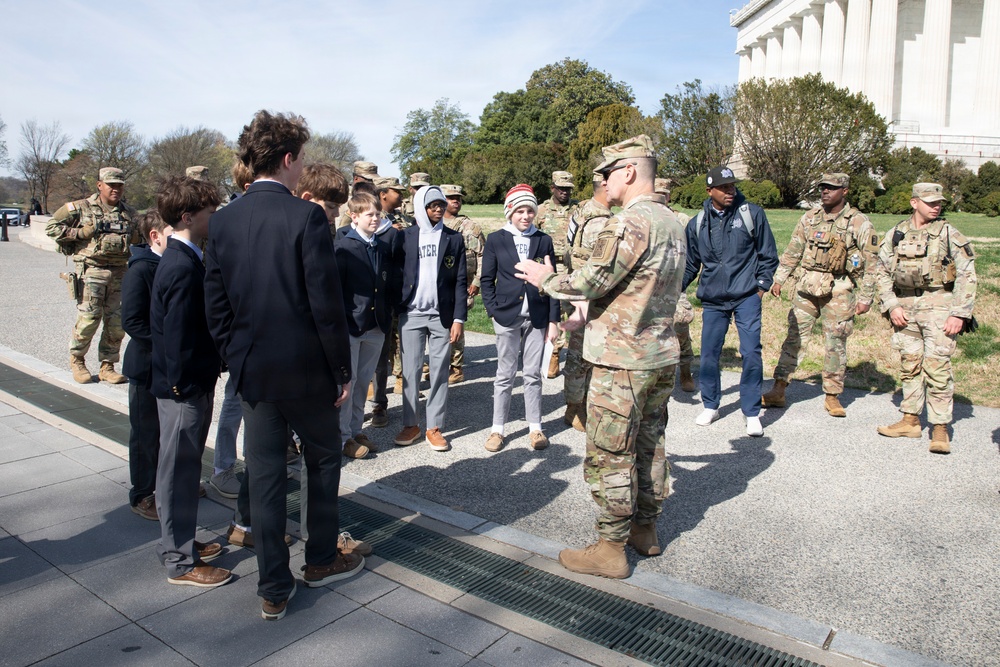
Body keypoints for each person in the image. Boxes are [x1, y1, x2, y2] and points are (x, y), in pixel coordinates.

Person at [205, 110, 363, 621]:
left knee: (267, 475)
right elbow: (324, 303)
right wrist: (342, 370)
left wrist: (235, 355)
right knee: (322, 462)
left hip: (253, 371)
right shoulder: (306, 217)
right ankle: (318, 558)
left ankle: (273, 584)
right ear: (290, 159)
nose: (302, 171)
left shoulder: (224, 218)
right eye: (302, 161)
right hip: (305, 371)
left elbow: (216, 304)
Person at [515, 135, 685, 579]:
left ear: (629, 171)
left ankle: (610, 548)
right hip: (659, 354)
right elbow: (639, 287)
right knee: (650, 445)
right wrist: (592, 318)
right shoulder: (671, 220)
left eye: (609, 173)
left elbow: (591, 280)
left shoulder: (629, 221)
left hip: (622, 362)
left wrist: (545, 277)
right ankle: (645, 530)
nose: (604, 181)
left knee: (611, 451)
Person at [149, 176, 229, 589]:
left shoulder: (186, 256)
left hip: (185, 385)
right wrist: (184, 387)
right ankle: (180, 560)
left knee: (178, 470)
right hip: (183, 389)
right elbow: (177, 336)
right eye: (209, 212)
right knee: (179, 473)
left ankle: (177, 543)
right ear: (187, 217)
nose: (214, 217)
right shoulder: (180, 265)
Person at [762, 173, 878, 417]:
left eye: (832, 188)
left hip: (839, 289)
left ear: (845, 191)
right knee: (794, 338)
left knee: (835, 343)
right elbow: (794, 249)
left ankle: (833, 396)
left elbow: (871, 262)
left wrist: (866, 297)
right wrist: (780, 278)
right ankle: (779, 389)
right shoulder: (810, 218)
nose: (825, 192)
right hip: (807, 287)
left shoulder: (858, 222)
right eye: (823, 188)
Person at [875, 183, 977, 454]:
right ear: (914, 202)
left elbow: (967, 273)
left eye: (939, 202)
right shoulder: (897, 233)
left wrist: (960, 313)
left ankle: (940, 428)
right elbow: (881, 271)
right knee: (909, 364)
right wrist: (892, 305)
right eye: (930, 201)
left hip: (939, 305)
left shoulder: (947, 232)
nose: (936, 206)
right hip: (905, 307)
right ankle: (910, 420)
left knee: (937, 367)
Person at [683, 166, 778, 437]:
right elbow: (691, 264)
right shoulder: (697, 223)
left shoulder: (751, 214)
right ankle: (711, 405)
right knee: (709, 354)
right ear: (709, 191)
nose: (730, 191)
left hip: (747, 296)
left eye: (732, 186)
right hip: (713, 300)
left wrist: (760, 288)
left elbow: (768, 254)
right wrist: (675, 290)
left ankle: (751, 412)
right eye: (723, 187)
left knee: (751, 352)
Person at [480, 184, 560, 452]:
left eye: (530, 211)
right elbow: (486, 279)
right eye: (520, 211)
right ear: (510, 212)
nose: (525, 216)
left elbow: (553, 281)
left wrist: (554, 320)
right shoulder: (496, 239)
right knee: (505, 374)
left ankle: (535, 428)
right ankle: (497, 429)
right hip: (506, 316)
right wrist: (493, 310)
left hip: (537, 316)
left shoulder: (543, 240)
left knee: (533, 374)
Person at [46, 167, 140, 384]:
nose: (116, 189)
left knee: (116, 322)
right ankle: (77, 360)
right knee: (89, 318)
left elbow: (142, 236)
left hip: (119, 272)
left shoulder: (129, 213)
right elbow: (51, 227)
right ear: (100, 185)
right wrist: (78, 233)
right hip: (92, 271)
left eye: (120, 185)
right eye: (111, 185)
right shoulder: (79, 208)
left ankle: (108, 365)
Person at [393, 186, 467, 452]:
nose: (438, 209)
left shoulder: (454, 239)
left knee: (439, 373)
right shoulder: (405, 237)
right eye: (432, 205)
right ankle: (410, 424)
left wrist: (459, 318)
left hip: (442, 316)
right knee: (410, 372)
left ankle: (434, 427)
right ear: (420, 207)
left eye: (441, 205)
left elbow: (460, 280)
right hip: (411, 314)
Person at [121, 210, 173, 521]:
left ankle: (168, 486)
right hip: (146, 365)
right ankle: (142, 493)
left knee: (169, 433)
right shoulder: (140, 270)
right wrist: (167, 344)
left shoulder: (175, 263)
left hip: (169, 364)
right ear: (154, 236)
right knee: (145, 434)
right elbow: (132, 321)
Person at [336, 192, 395, 459]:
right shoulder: (344, 247)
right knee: (348, 382)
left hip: (376, 326)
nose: (375, 219)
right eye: (369, 214)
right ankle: (342, 436)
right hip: (352, 325)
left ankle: (356, 429)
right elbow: (338, 290)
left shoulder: (381, 247)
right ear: (354, 216)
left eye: (377, 214)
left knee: (363, 382)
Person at [562, 174, 612, 431]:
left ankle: (580, 404)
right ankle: (575, 408)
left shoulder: (582, 210)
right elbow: (594, 266)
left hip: (582, 294)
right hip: (590, 298)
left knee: (583, 353)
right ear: (605, 185)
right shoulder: (600, 220)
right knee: (582, 355)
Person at [535, 170, 579, 379]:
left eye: (568, 189)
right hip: (551, 267)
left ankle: (578, 357)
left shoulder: (579, 209)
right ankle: (554, 353)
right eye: (561, 188)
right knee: (556, 310)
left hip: (574, 268)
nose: (564, 192)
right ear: (552, 187)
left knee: (576, 310)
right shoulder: (541, 210)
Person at [441, 184, 486, 384]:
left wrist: (477, 281)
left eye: (458, 198)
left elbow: (482, 255)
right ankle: (439, 364)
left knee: (456, 323)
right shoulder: (431, 224)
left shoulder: (470, 227)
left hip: (463, 284)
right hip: (439, 285)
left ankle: (456, 367)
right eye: (451, 198)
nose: (456, 201)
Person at [655, 178, 696, 393]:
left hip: (675, 282)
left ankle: (686, 369)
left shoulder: (682, 219)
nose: (661, 198)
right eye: (657, 193)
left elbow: (693, 252)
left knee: (681, 324)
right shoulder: (646, 218)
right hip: (651, 283)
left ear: (669, 196)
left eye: (665, 194)